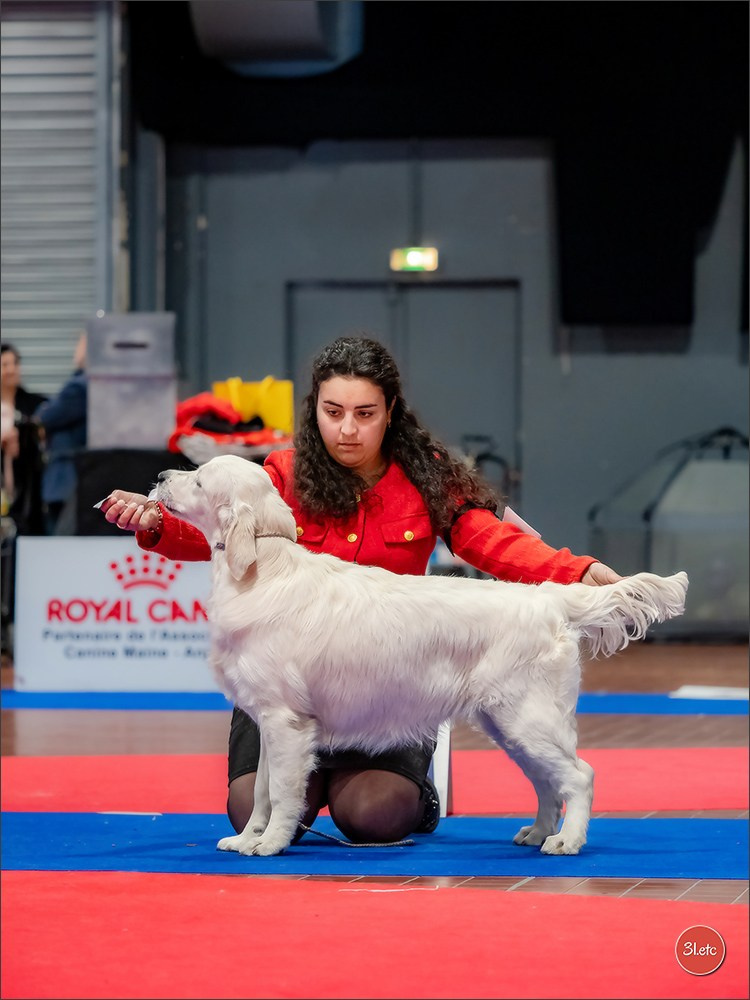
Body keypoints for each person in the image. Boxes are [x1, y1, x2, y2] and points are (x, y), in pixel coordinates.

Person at [100, 335, 623, 844]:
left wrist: (575, 571)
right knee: (247, 814)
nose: (348, 429)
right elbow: (222, 530)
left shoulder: (428, 476)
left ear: (390, 410)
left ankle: (410, 791)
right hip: (289, 675)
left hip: (388, 683)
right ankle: (308, 782)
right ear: (315, 410)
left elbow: (490, 537)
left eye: (365, 414)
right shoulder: (282, 473)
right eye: (333, 412)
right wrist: (157, 520)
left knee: (372, 816)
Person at [34, 332, 88, 535]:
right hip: (71, 483)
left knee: (60, 541)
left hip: (66, 482)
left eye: (81, 342)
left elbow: (46, 417)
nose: (77, 348)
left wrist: (44, 410)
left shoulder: (80, 386)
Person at [1, 343, 47, 536]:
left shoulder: (36, 404)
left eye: (15, 364)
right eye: (4, 365)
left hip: (29, 491)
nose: (11, 370)